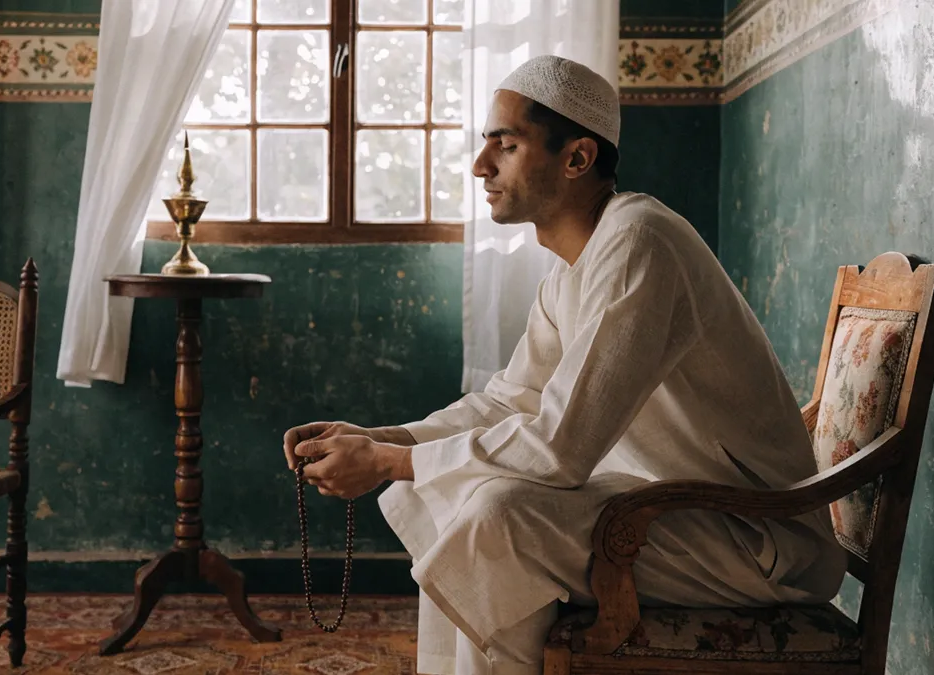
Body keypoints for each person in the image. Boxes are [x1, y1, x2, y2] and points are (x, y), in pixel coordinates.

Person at [282, 54, 845, 675]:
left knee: (498, 515)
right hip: (668, 512)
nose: (480, 166)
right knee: (474, 502)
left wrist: (388, 463)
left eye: (507, 144)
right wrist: (383, 438)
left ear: (577, 158)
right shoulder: (575, 267)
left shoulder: (639, 242)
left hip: (758, 541)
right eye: (485, 144)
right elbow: (512, 400)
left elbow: (559, 448)